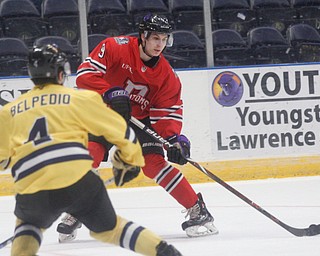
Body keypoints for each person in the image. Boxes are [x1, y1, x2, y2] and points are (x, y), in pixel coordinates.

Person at [0, 44, 182, 256]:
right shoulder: (81, 99)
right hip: (78, 182)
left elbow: (3, 161)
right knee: (113, 229)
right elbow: (122, 132)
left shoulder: (8, 112)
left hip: (32, 188)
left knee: (27, 229)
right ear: (61, 73)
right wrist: (129, 161)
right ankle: (166, 253)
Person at [57, 13, 218, 241]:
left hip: (139, 120)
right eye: (155, 38)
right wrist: (109, 91)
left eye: (163, 39)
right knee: (90, 152)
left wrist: (174, 140)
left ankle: (197, 209)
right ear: (142, 36)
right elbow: (85, 74)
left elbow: (167, 112)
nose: (159, 44)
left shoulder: (167, 76)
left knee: (154, 164)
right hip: (106, 112)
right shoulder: (115, 47)